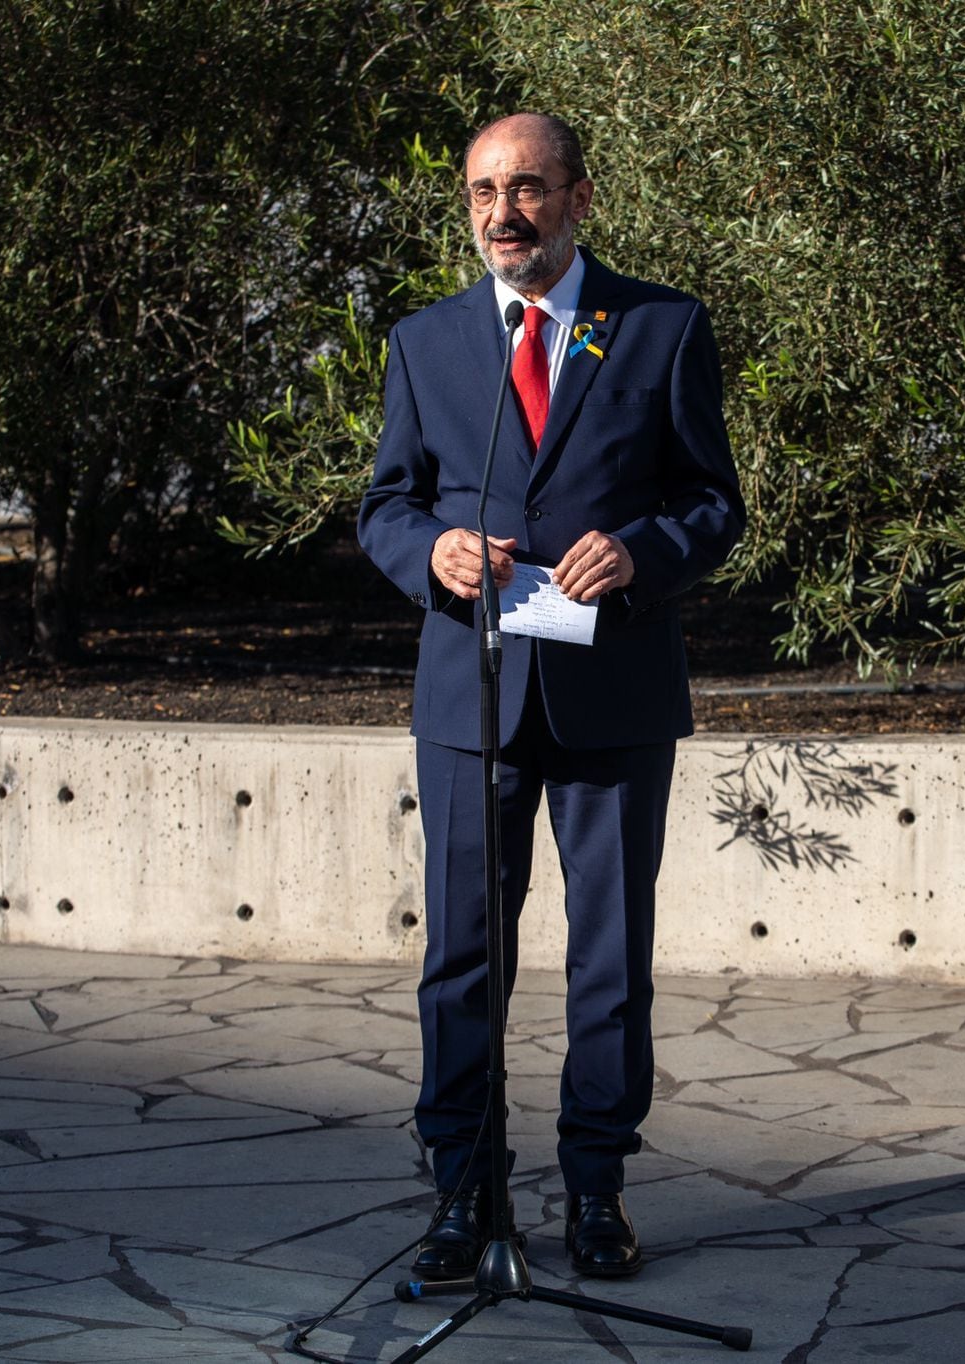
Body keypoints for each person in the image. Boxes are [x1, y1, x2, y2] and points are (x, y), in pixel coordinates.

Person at [358, 112, 743, 1280]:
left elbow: (710, 502)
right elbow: (385, 504)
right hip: (468, 700)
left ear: (579, 196)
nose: (500, 212)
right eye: (482, 192)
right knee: (462, 957)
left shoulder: (662, 327)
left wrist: (639, 553)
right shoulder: (426, 344)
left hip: (610, 693)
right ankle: (461, 1195)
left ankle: (595, 1189)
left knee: (608, 956)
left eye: (525, 187)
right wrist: (430, 552)